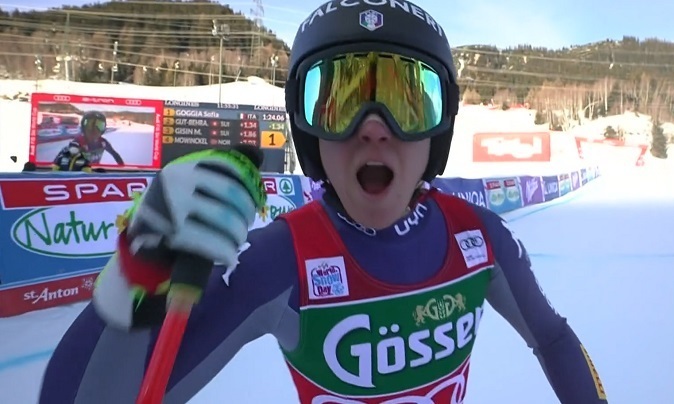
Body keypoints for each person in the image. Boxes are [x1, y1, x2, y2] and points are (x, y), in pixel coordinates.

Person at [38, 1, 608, 403]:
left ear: (439, 133)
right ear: (309, 136)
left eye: (407, 105)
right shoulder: (284, 258)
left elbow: (554, 338)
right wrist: (140, 272)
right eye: (340, 103)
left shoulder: (479, 237)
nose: (374, 128)